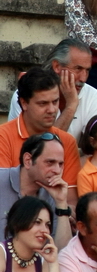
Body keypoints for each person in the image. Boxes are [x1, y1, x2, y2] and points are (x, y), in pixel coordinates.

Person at [0, 67, 80, 207]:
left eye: (55, 102)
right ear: (24, 103)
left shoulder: (67, 141)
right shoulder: (3, 137)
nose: (52, 110)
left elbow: (71, 203)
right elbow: (4, 192)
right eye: (43, 103)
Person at [8, 38, 97, 140]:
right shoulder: (27, 94)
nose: (83, 78)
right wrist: (71, 106)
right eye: (78, 69)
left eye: (87, 70)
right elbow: (37, 150)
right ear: (57, 66)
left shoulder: (92, 95)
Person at [0, 134, 73, 251]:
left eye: (60, 164)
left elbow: (63, 253)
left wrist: (61, 204)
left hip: (36, 267)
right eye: (50, 162)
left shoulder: (53, 195)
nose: (57, 171)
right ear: (28, 161)